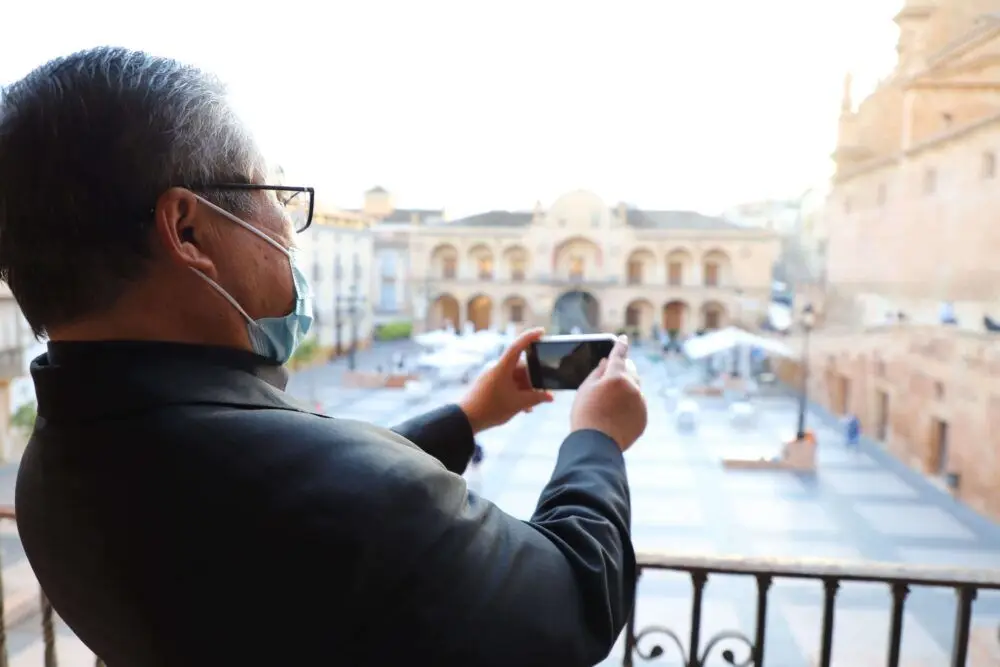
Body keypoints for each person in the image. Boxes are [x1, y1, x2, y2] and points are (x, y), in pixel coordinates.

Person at [0, 48, 649, 667]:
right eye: (274, 194)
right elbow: (573, 593)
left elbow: (298, 501)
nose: (288, 229)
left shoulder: (52, 472)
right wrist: (597, 438)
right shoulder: (333, 498)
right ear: (189, 230)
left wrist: (468, 415)